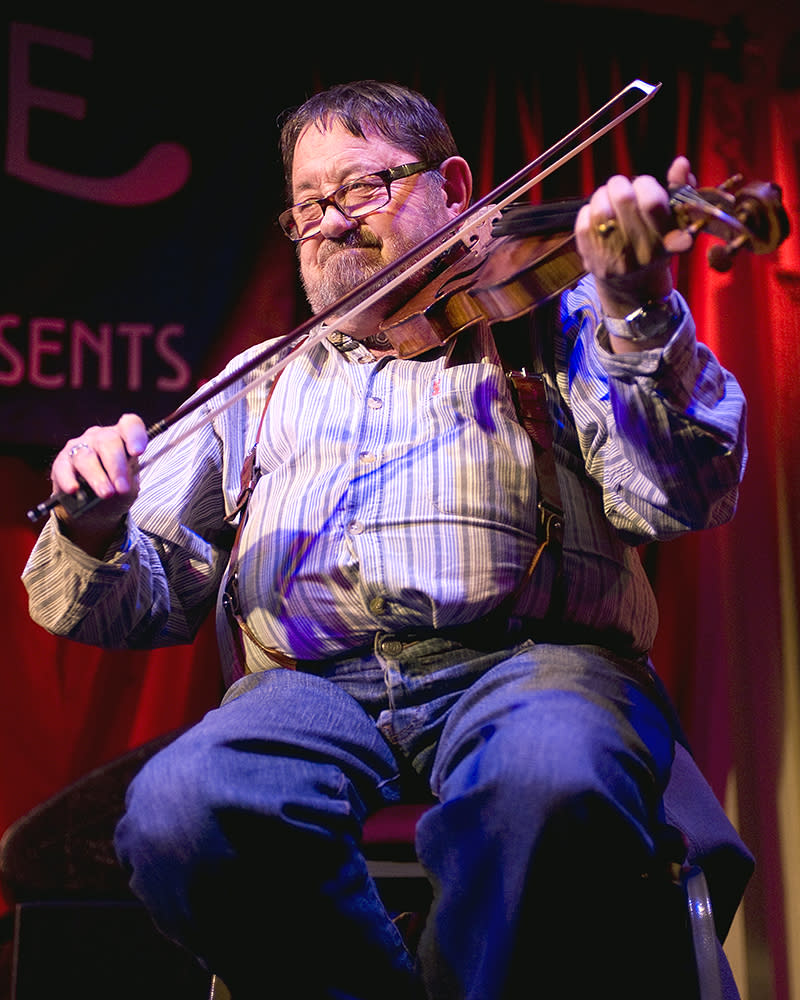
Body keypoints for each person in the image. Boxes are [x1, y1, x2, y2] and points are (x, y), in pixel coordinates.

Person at [23, 80, 750, 998]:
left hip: (531, 662)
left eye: (362, 189)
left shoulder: (554, 323)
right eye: (306, 207)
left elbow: (684, 495)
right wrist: (93, 524)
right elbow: (137, 596)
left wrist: (639, 313)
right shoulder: (262, 379)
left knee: (549, 776)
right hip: (308, 690)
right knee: (183, 810)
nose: (329, 224)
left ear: (454, 188)